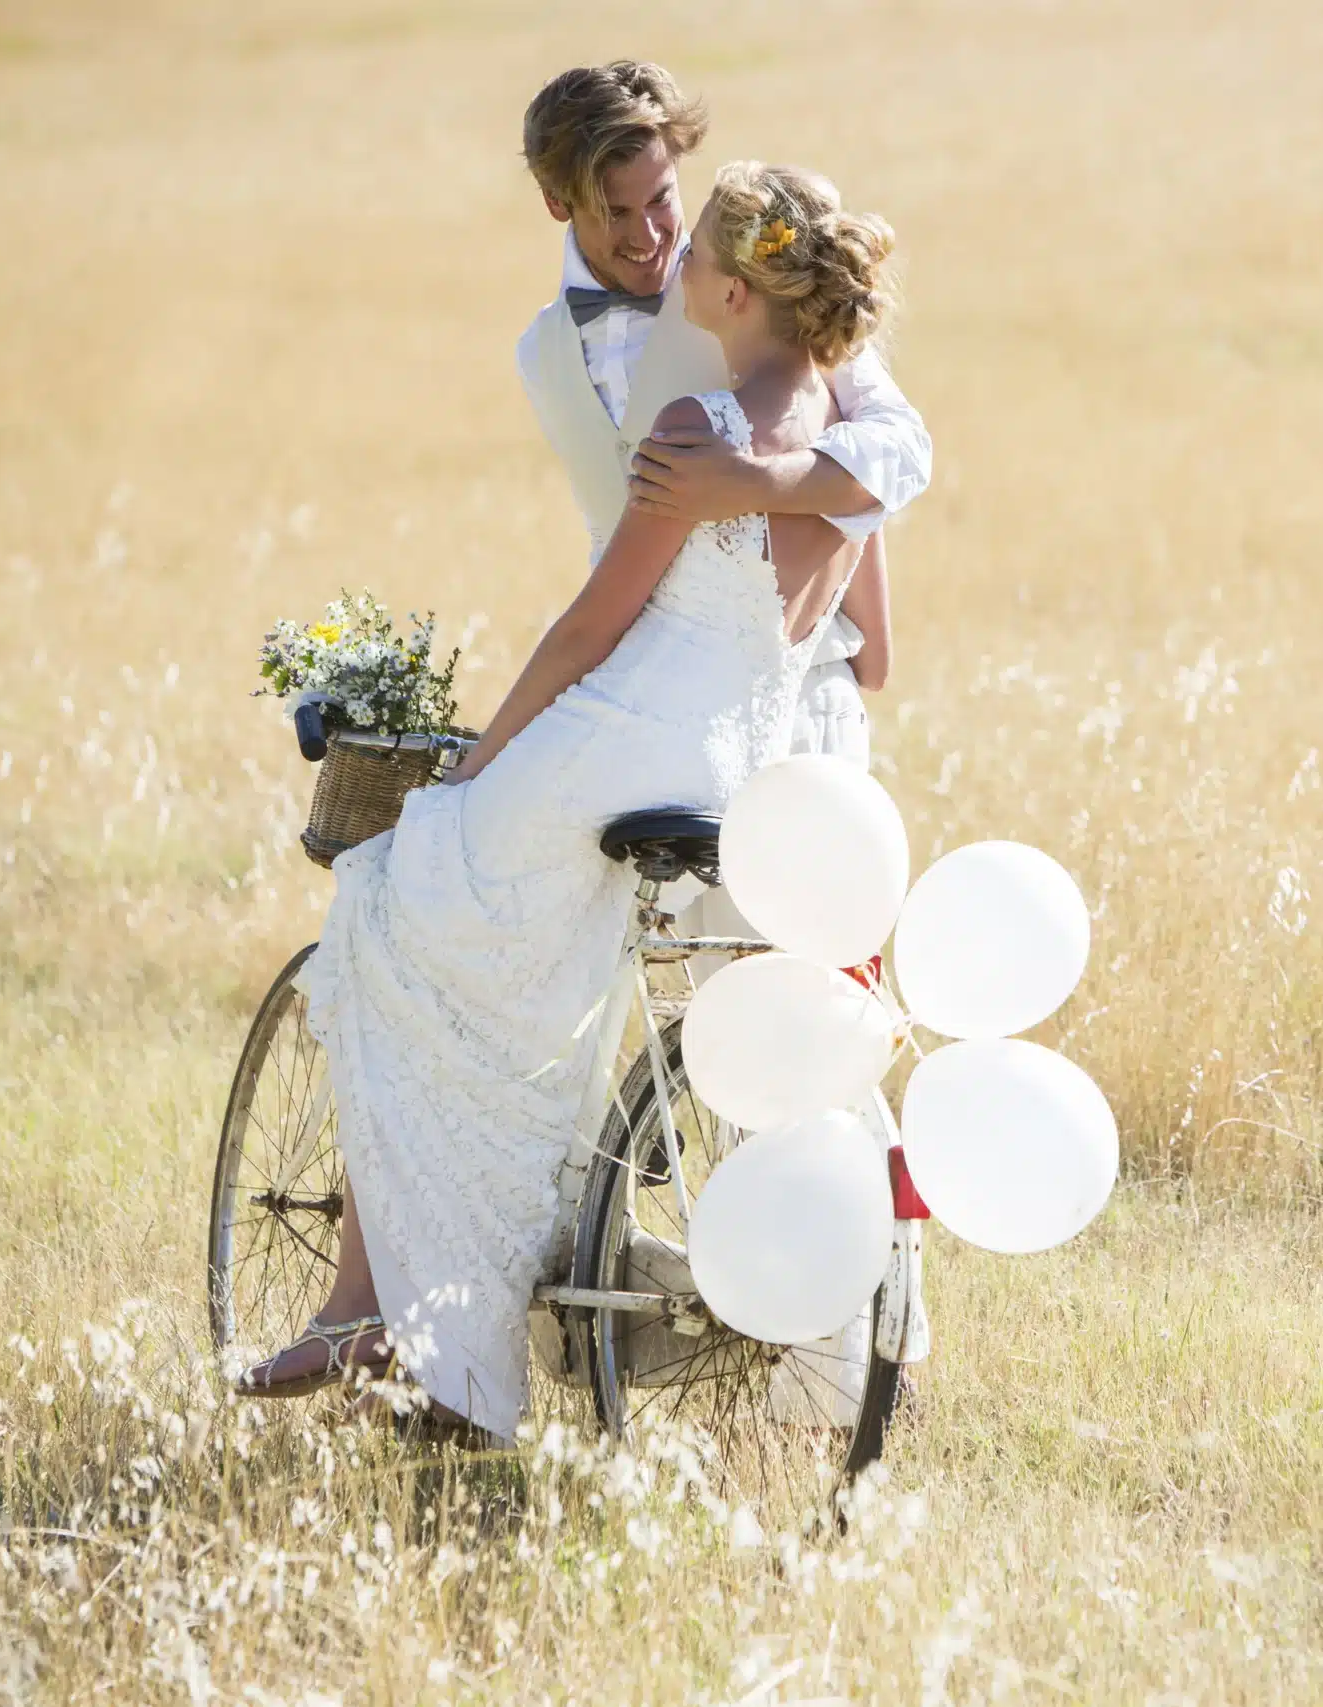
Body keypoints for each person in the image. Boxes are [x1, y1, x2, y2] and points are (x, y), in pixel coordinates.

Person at [240, 161, 905, 1443]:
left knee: (387, 888)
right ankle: (431, 1307)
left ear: (722, 288)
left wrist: (485, 757)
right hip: (731, 766)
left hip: (617, 742)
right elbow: (862, 635)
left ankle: (388, 1316)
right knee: (510, 975)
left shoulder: (694, 433)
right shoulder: (855, 447)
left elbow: (591, 629)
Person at [512, 61, 916, 766]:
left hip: (797, 699)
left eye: (662, 199)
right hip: (655, 722)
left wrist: (758, 480)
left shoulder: (767, 285)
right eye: (614, 211)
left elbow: (901, 449)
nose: (648, 236)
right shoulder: (539, 355)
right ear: (556, 202)